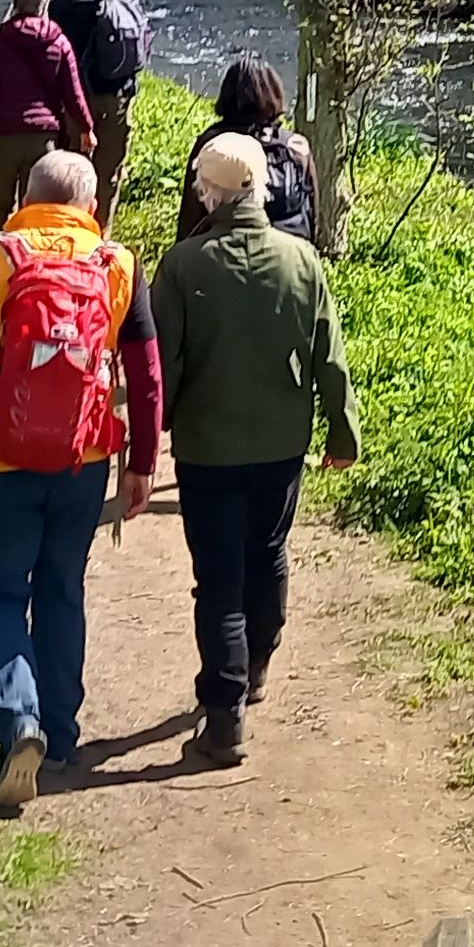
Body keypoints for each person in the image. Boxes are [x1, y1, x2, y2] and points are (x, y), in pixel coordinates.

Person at [0, 149, 160, 810]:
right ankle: (62, 737)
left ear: (26, 197)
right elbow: (146, 372)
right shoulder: (118, 265)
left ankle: (20, 720)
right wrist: (142, 463)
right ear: (90, 206)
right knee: (61, 589)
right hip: (81, 462)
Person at [150, 132, 357, 767]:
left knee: (217, 575)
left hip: (206, 445)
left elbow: (164, 365)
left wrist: (153, 433)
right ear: (262, 190)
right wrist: (342, 432)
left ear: (207, 192)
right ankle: (259, 662)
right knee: (267, 553)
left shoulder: (183, 265)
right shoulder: (302, 261)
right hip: (281, 441)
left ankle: (225, 716)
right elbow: (329, 356)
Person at [0, 0, 97, 228]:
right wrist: (87, 128)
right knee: (36, 208)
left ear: (14, 2)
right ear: (45, 1)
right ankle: (32, 252)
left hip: (1, 136)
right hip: (43, 138)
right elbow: (73, 95)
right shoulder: (59, 43)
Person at [48, 0, 151, 229]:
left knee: (70, 173)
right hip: (117, 98)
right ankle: (100, 235)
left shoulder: (60, 6)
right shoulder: (126, 0)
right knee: (108, 174)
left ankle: (70, 231)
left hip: (73, 103)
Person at [172, 56, 319, 243]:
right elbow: (312, 216)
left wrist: (182, 253)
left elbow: (190, 218)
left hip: (222, 251)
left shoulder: (213, 145)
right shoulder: (296, 147)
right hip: (289, 251)